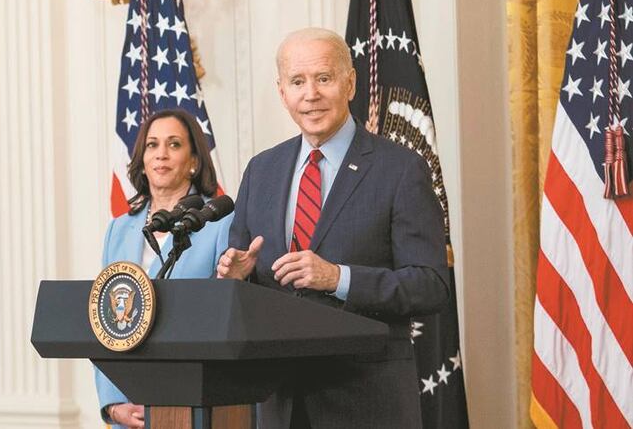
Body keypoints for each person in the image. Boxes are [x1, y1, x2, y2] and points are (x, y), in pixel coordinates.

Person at [217, 28, 448, 429]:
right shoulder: (262, 170)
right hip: (280, 401)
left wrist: (337, 278)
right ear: (282, 91)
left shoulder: (400, 168)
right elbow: (243, 288)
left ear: (350, 83)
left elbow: (430, 285)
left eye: (324, 78)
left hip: (366, 400)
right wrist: (236, 278)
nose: (311, 94)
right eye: (297, 82)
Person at [97, 109, 231, 429]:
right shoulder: (119, 229)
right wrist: (113, 404)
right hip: (129, 409)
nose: (161, 154)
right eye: (152, 145)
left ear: (194, 160)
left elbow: (224, 315)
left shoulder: (220, 224)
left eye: (174, 145)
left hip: (194, 402)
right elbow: (103, 320)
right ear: (142, 158)